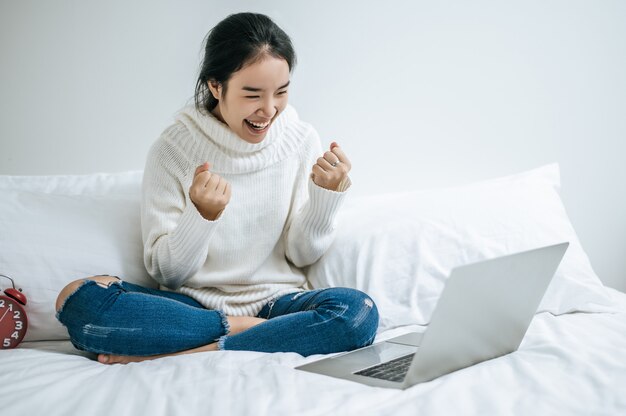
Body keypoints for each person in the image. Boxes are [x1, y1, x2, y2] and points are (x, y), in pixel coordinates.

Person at [55, 12, 379, 365]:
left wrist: (325, 198)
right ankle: (243, 330)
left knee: (358, 313)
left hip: (278, 304)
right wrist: (202, 216)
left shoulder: (300, 140)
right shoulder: (173, 149)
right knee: (79, 300)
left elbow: (302, 256)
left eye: (281, 92)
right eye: (252, 94)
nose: (268, 110)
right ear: (215, 86)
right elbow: (167, 273)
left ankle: (202, 349)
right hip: (192, 308)